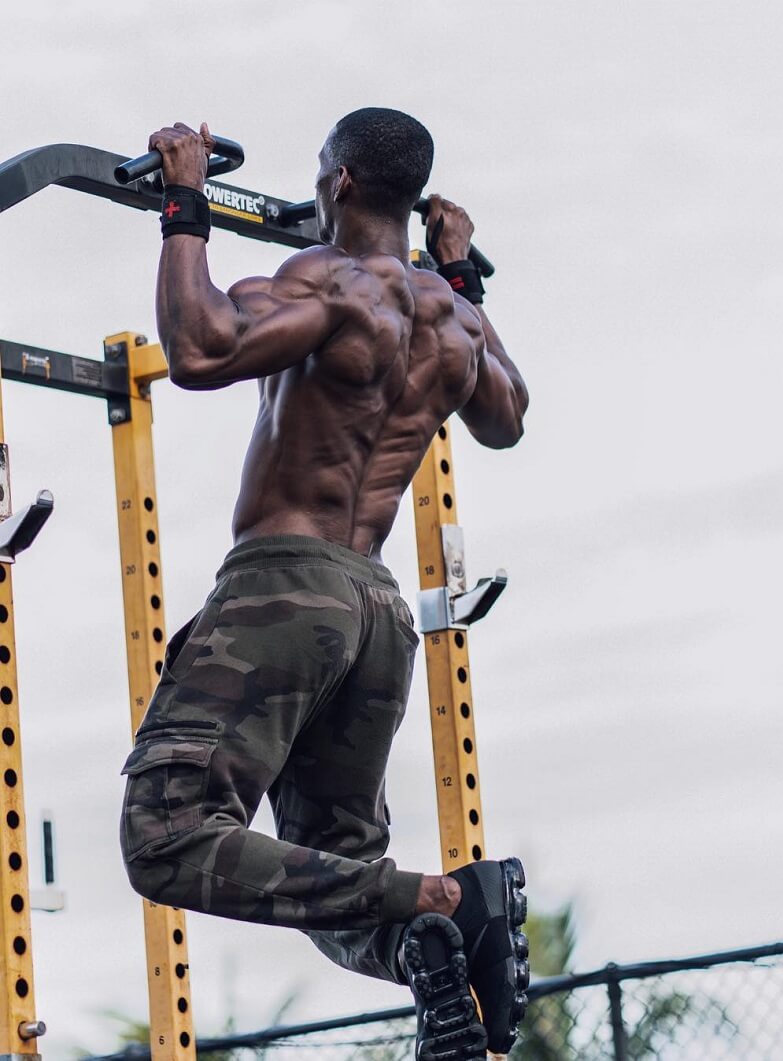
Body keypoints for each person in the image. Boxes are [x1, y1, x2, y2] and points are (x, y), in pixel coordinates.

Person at [120, 108, 530, 1059]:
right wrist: (458, 267)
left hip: (285, 587)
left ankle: (442, 897)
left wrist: (185, 203)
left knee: (168, 832)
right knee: (337, 881)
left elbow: (202, 350)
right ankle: (433, 944)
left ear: (339, 183)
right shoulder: (456, 322)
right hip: (377, 615)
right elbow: (507, 416)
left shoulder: (329, 285)